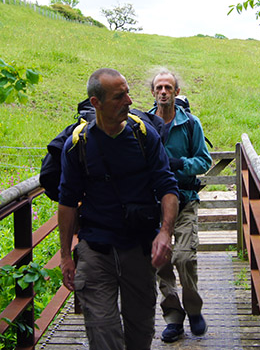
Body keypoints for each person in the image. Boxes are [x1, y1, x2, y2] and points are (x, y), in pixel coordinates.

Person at [58, 67, 179, 350]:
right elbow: (67, 203)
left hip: (138, 248)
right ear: (95, 103)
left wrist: (165, 232)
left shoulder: (144, 135)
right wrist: (65, 256)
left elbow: (167, 187)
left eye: (127, 93)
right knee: (103, 332)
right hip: (95, 249)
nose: (128, 101)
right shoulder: (78, 145)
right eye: (118, 96)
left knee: (140, 331)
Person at [149, 69, 213, 343]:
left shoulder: (190, 123)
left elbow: (204, 160)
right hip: (153, 204)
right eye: (159, 87)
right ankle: (174, 318)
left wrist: (181, 164)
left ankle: (194, 310)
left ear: (176, 92)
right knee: (161, 263)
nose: (163, 92)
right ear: (153, 92)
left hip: (185, 200)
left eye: (168, 87)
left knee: (184, 258)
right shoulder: (144, 125)